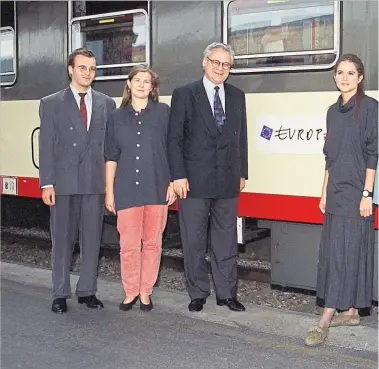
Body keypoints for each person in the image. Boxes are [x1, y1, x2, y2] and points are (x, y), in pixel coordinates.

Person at [167, 42, 248, 313]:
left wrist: (242, 172)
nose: (220, 69)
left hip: (227, 180)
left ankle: (227, 294)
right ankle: (198, 292)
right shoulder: (184, 94)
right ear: (205, 62)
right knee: (194, 240)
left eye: (226, 65)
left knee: (226, 241)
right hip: (192, 181)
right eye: (216, 62)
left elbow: (241, 138)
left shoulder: (237, 96)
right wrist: (177, 175)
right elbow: (174, 139)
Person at [305, 54, 378, 346]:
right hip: (336, 191)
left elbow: (373, 154)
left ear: (360, 78)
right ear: (334, 77)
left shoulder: (370, 108)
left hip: (357, 193)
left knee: (345, 253)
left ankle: (325, 319)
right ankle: (350, 311)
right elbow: (329, 156)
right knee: (339, 252)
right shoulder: (332, 111)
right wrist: (323, 190)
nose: (345, 77)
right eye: (340, 72)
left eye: (351, 73)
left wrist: (367, 194)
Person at [39, 48, 116, 313]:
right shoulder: (51, 103)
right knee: (62, 240)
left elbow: (110, 147)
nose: (88, 73)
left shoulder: (107, 103)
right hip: (63, 183)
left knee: (93, 240)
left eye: (92, 68)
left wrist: (110, 185)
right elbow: (46, 145)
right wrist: (46, 182)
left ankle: (87, 290)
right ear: (70, 69)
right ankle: (60, 293)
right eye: (82, 68)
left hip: (94, 183)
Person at [104, 66, 176, 312]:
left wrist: (172, 183)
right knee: (129, 245)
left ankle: (146, 291)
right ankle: (130, 291)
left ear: (152, 87)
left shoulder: (164, 113)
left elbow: (172, 150)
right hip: (125, 188)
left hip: (157, 186)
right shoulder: (116, 116)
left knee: (153, 243)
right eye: (138, 80)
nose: (142, 85)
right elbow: (111, 155)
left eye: (147, 81)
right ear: (129, 84)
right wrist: (110, 190)